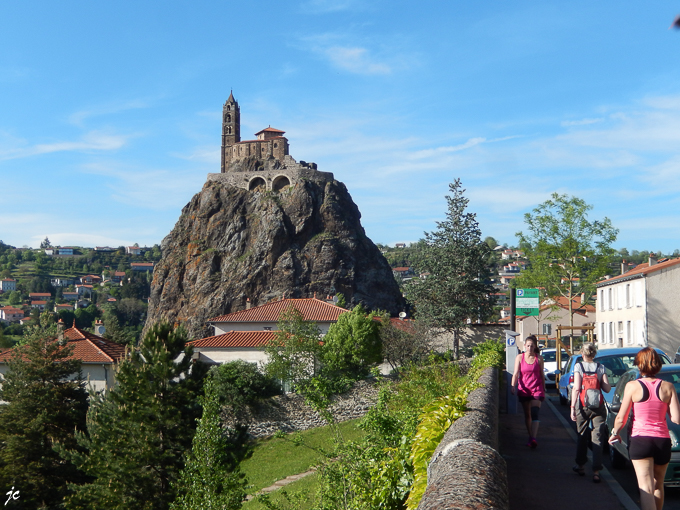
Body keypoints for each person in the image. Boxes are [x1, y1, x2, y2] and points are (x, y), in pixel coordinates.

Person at [609, 347, 680, 510]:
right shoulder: (668, 387)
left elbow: (621, 417)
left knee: (645, 488)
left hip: (640, 441)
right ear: (658, 365)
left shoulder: (632, 386)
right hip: (662, 441)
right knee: (658, 485)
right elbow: (676, 418)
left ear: (639, 365)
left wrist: (615, 433)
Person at [570, 342, 611, 483]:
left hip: (582, 405)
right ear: (594, 354)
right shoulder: (600, 367)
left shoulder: (578, 366)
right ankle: (596, 471)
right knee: (597, 438)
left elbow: (576, 388)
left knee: (582, 435)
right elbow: (607, 389)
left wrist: (572, 408)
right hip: (598, 406)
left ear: (582, 354)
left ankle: (581, 466)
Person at [511, 335, 545, 448]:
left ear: (535, 347)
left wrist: (544, 387)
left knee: (535, 413)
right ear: (525, 346)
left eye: (532, 346)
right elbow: (516, 373)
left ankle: (533, 438)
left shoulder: (539, 358)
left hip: (537, 389)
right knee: (527, 415)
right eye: (528, 346)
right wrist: (512, 386)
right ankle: (531, 436)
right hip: (524, 389)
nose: (530, 348)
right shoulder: (520, 357)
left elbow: (541, 374)